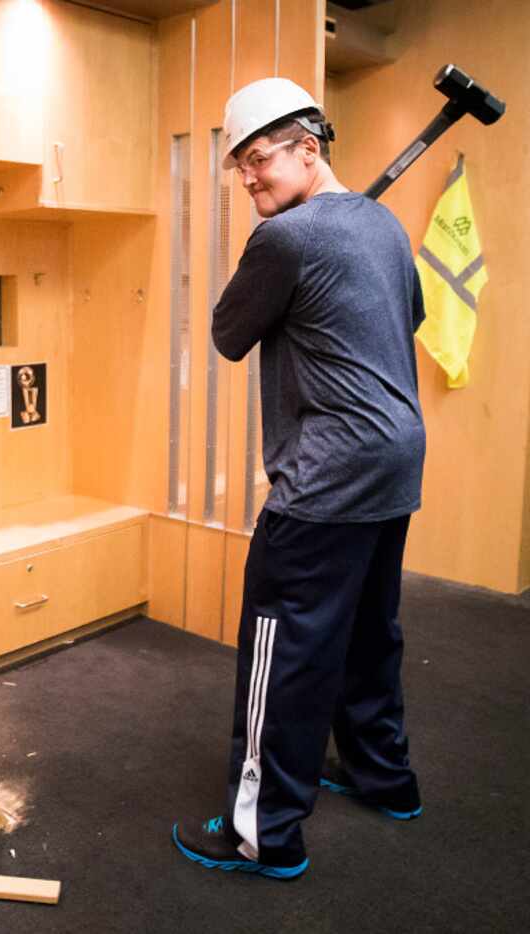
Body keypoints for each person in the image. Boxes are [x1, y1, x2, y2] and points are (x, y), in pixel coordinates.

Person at [171, 77, 427, 880]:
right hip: (395, 459)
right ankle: (386, 777)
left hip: (328, 475)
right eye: (239, 167)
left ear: (308, 149)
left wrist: (291, 272)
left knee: (282, 648)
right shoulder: (382, 225)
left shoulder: (285, 240)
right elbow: (404, 315)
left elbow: (227, 332)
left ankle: (262, 832)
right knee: (364, 630)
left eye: (258, 161)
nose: (247, 179)